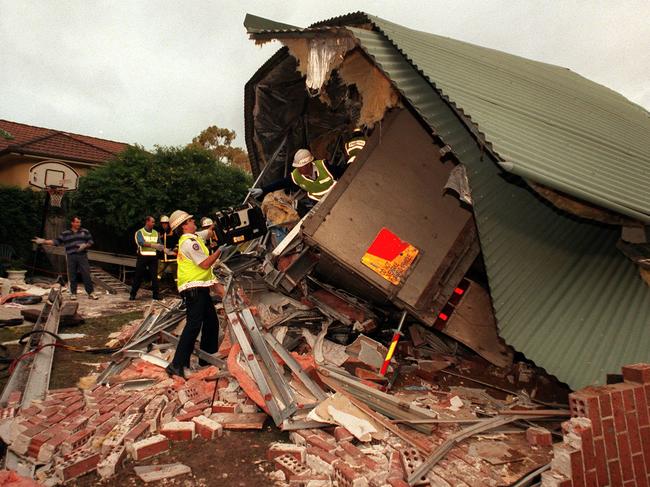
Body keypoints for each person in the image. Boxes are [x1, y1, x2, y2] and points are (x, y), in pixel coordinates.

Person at [165, 210, 221, 379]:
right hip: (193, 290)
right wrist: (220, 251)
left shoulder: (194, 238)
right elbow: (205, 264)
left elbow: (207, 232)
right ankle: (176, 364)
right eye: (190, 220)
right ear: (184, 226)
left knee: (211, 323)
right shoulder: (190, 243)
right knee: (193, 326)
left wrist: (217, 225)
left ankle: (207, 360)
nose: (193, 221)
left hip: (199, 288)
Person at [250, 148, 341, 216]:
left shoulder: (324, 166)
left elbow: (344, 172)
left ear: (309, 163)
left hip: (339, 197)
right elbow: (281, 183)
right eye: (297, 166)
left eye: (302, 166)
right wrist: (263, 190)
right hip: (321, 206)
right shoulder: (296, 176)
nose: (299, 169)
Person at [33, 216, 99, 300]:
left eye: (79, 222)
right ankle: (73, 293)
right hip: (71, 256)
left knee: (86, 274)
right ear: (72, 223)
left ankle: (91, 293)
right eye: (77, 222)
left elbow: (90, 241)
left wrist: (85, 245)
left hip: (82, 256)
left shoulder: (85, 231)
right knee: (72, 275)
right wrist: (43, 241)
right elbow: (56, 241)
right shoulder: (65, 233)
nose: (79, 224)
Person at [130, 216, 162, 301]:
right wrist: (153, 245)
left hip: (153, 257)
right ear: (147, 222)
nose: (154, 224)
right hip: (143, 256)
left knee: (154, 277)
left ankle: (156, 295)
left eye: (154, 222)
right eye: (152, 222)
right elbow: (141, 242)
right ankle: (133, 294)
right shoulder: (139, 232)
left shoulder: (156, 233)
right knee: (138, 276)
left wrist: (167, 250)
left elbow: (160, 244)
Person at [158, 215, 178, 279]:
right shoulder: (159, 231)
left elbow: (177, 242)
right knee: (158, 274)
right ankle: (154, 287)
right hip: (163, 256)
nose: (164, 225)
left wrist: (175, 248)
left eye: (165, 223)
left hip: (173, 256)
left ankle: (178, 288)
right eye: (163, 223)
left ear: (168, 223)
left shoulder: (174, 231)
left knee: (176, 275)